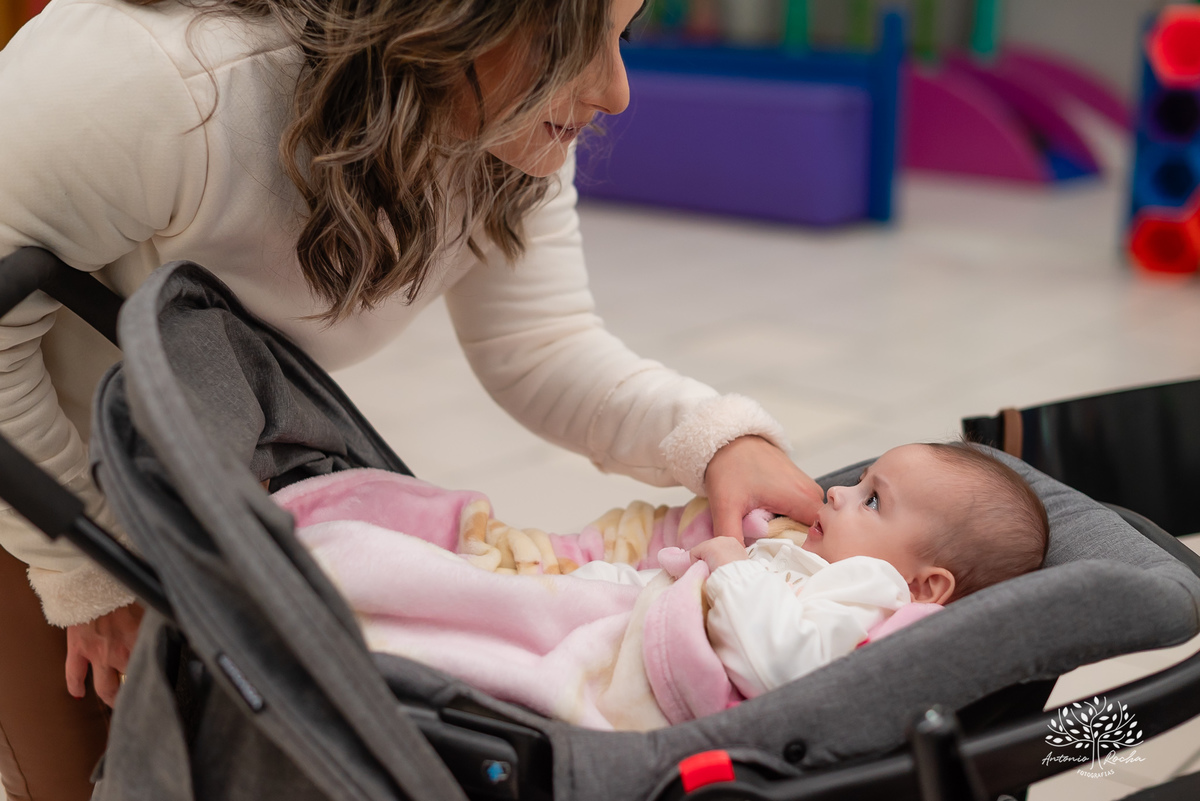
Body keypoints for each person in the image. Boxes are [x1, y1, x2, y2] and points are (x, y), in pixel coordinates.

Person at [0, 0, 824, 796]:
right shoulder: (159, 80)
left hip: (209, 470)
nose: (616, 91)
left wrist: (716, 438)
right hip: (38, 482)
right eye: (574, 38)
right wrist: (91, 572)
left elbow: (541, 346)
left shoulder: (503, 114)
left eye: (622, 32)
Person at [578, 441, 1050, 698]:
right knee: (583, 587)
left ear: (924, 584)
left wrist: (733, 570)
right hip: (641, 607)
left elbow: (783, 666)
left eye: (873, 500)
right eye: (860, 482)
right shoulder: (831, 565)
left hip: (647, 651)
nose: (838, 492)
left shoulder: (872, 593)